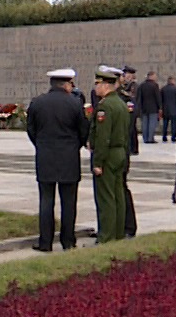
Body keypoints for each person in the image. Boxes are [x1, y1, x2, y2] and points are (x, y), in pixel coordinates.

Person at [26, 68, 87, 251]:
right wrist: (74, 146)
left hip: (45, 158)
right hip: (69, 158)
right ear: (67, 84)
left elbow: (31, 129)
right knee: (69, 203)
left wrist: (41, 145)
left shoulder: (37, 103)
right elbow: (83, 131)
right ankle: (68, 241)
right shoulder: (75, 104)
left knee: (46, 201)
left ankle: (45, 242)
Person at [89, 67, 132, 243]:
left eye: (97, 84)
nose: (95, 88)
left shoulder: (105, 106)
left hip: (108, 154)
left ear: (105, 85)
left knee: (106, 197)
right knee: (118, 195)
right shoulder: (121, 103)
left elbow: (103, 137)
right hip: (120, 152)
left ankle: (106, 236)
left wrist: (98, 162)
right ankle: (118, 233)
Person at [135, 71, 162, 144]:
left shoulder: (141, 85)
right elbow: (157, 97)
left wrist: (139, 107)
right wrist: (160, 107)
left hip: (144, 107)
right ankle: (150, 138)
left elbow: (138, 97)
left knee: (144, 124)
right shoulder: (155, 85)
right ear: (151, 76)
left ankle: (145, 138)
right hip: (153, 107)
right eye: (154, 76)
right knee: (152, 124)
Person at [159, 76, 176, 143]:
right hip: (174, 109)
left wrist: (161, 108)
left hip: (165, 109)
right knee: (173, 124)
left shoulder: (163, 89)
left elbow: (160, 99)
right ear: (173, 81)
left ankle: (164, 137)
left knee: (165, 124)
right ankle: (173, 137)